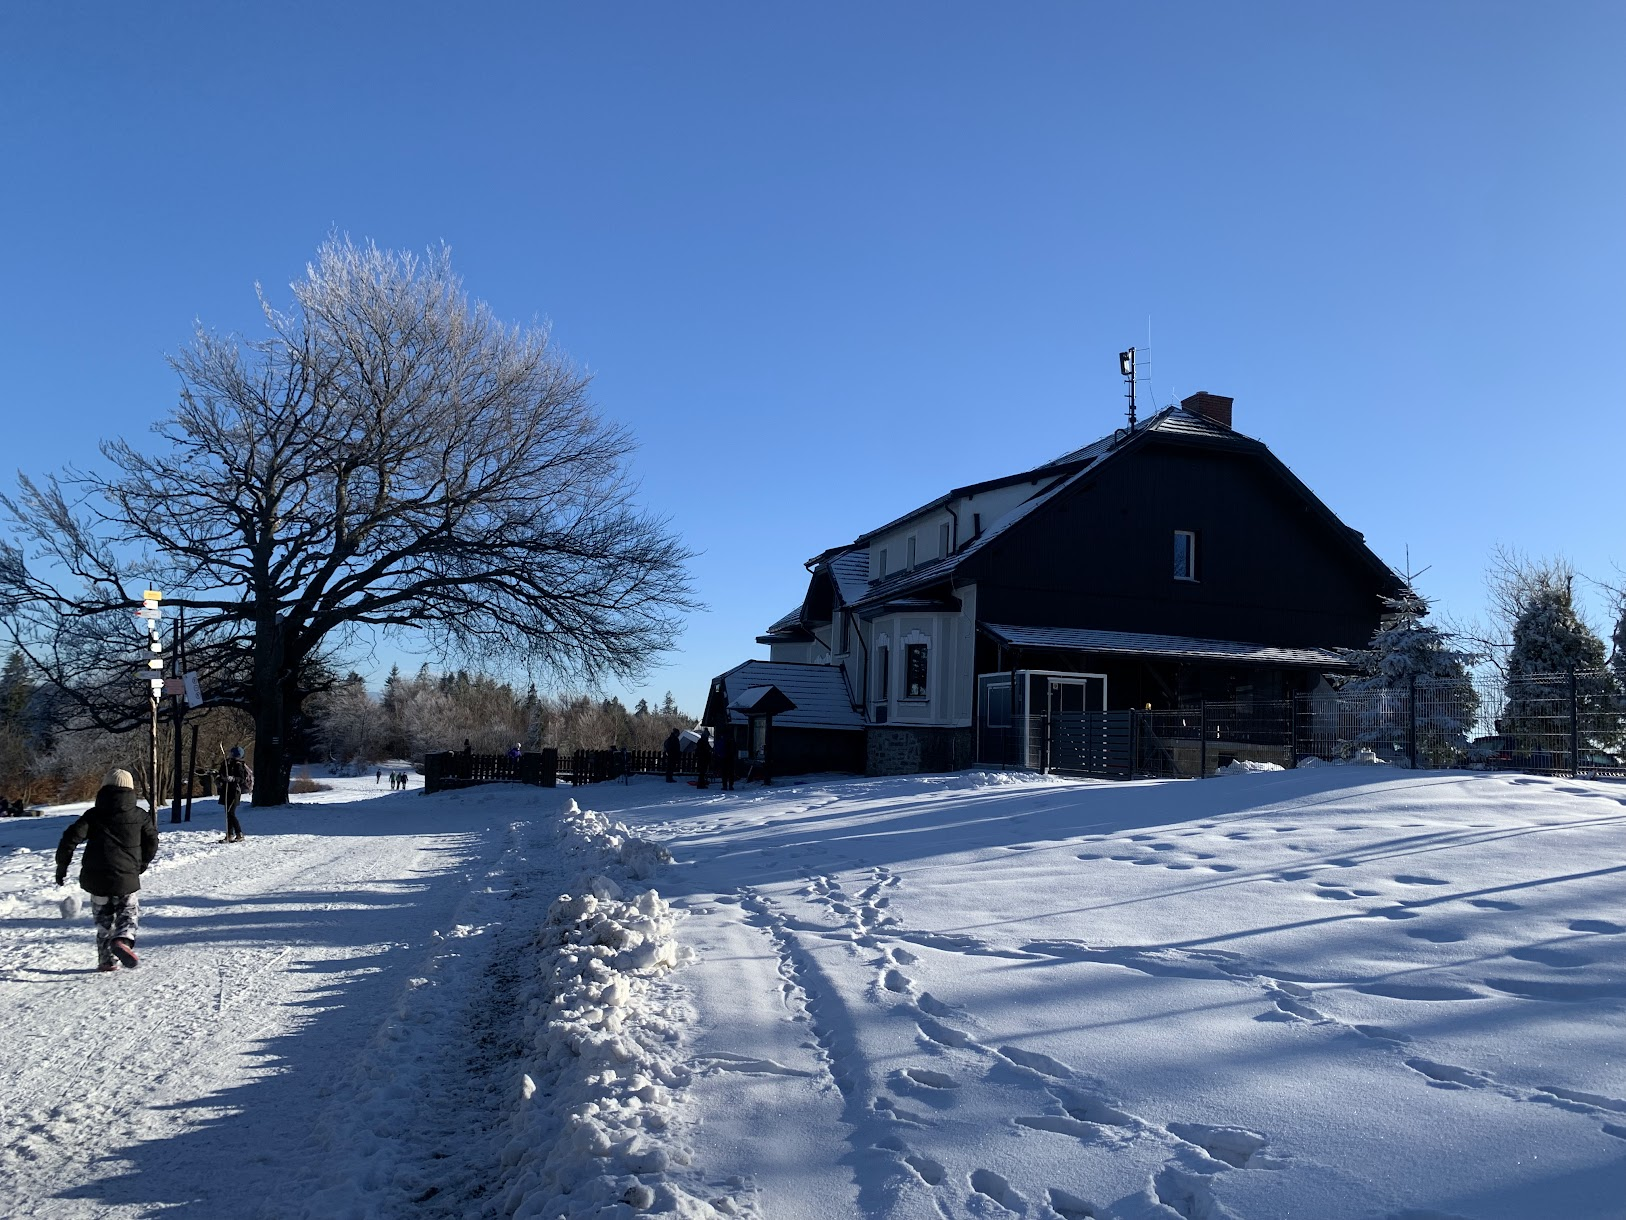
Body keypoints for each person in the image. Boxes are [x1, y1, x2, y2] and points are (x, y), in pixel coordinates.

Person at [55, 768, 158, 972]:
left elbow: (70, 837)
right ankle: (122, 940)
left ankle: (107, 961)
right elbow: (152, 842)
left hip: (96, 879)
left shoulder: (93, 815)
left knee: (103, 921)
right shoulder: (140, 816)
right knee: (128, 913)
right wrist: (142, 864)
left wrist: (62, 866)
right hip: (126, 877)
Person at [221, 746, 249, 842]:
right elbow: (222, 774)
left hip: (234, 792)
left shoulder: (239, 765)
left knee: (230, 813)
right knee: (227, 814)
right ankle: (229, 834)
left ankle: (239, 833)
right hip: (226, 791)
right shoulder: (226, 763)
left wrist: (233, 778)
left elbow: (242, 779)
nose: (230, 754)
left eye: (232, 753)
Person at [717, 723, 737, 791]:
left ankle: (725, 786)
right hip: (731, 757)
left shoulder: (722, 740)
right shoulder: (731, 739)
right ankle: (731, 785)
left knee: (724, 773)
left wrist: (719, 754)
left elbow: (718, 748)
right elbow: (735, 748)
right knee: (731, 772)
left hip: (724, 757)